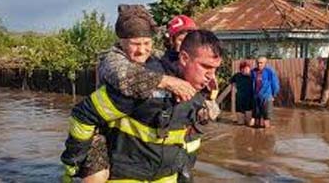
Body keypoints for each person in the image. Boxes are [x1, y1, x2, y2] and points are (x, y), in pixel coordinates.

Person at [60, 31, 223, 182]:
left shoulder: (200, 90)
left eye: (215, 69)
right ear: (184, 58)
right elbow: (84, 115)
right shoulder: (142, 83)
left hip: (167, 175)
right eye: (206, 67)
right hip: (127, 174)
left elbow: (189, 143)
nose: (211, 76)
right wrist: (74, 163)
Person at [251, 57, 280, 129]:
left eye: (261, 63)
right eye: (257, 63)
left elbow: (275, 84)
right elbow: (251, 83)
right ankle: (257, 135)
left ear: (265, 63)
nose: (259, 64)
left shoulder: (269, 72)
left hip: (267, 96)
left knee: (266, 116)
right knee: (256, 115)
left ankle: (267, 132)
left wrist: (274, 95)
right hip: (256, 96)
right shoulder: (253, 72)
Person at [229, 61, 254, 126]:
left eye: (246, 68)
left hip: (250, 100)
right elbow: (232, 83)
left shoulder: (253, 75)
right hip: (239, 99)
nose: (244, 70)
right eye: (242, 68)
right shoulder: (237, 75)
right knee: (240, 123)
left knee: (249, 124)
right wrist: (233, 94)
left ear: (249, 68)